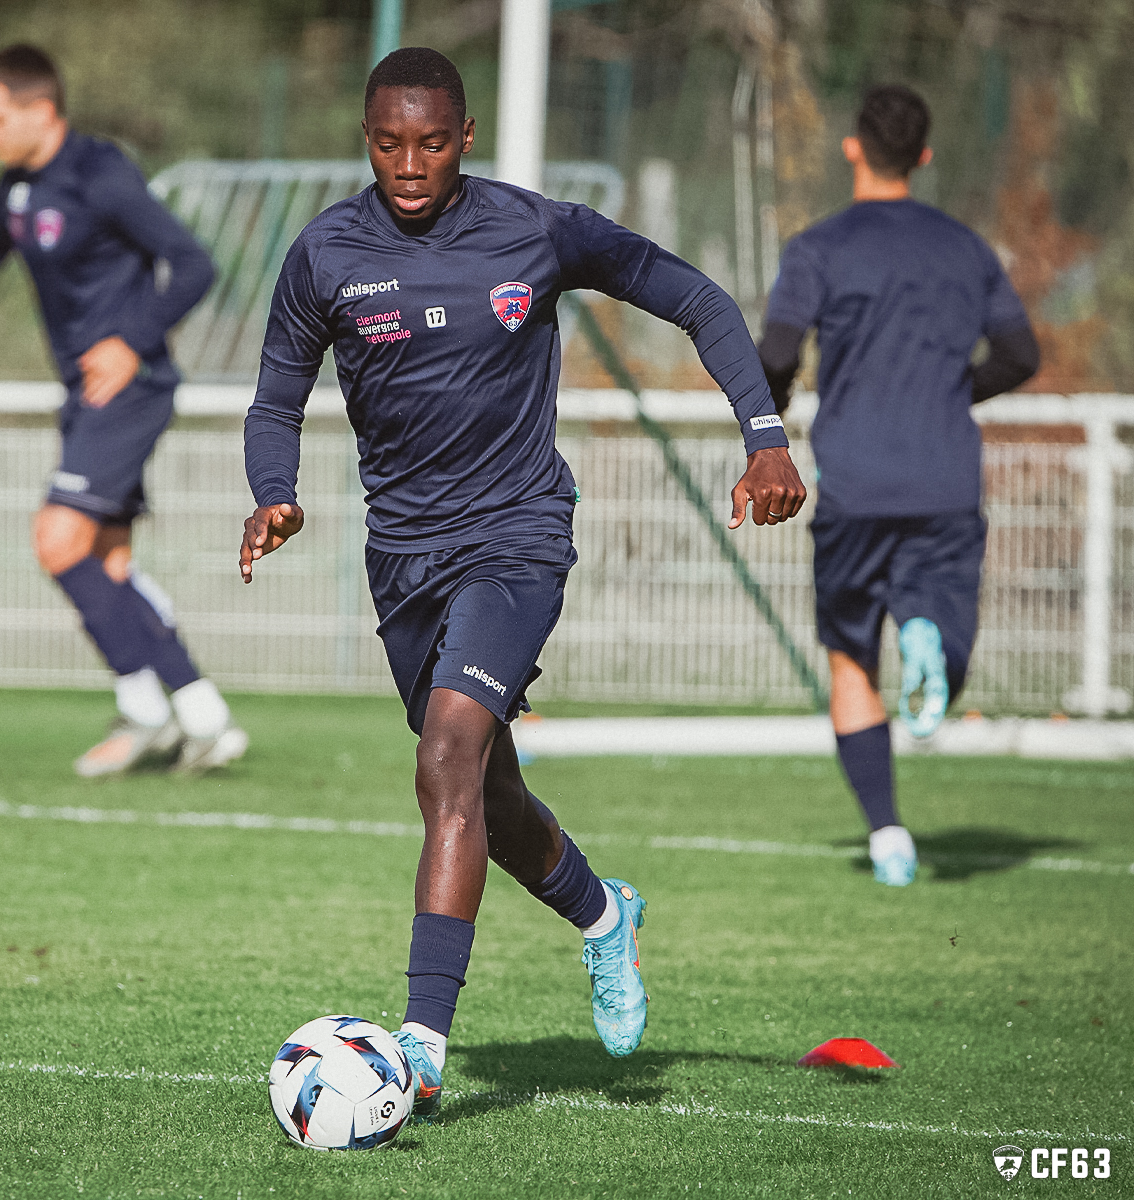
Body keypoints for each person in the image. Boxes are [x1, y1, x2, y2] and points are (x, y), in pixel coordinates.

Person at [240, 47, 806, 1115]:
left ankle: (417, 1052)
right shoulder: (324, 254)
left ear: (465, 137)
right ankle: (604, 916)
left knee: (447, 756)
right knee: (485, 797)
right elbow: (275, 399)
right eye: (387, 143)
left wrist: (765, 437)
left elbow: (697, 299)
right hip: (402, 557)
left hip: (517, 535)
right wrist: (274, 491)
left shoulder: (536, 229)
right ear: (365, 139)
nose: (409, 163)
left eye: (432, 141)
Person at [0, 44, 246, 776]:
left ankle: (148, 710)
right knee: (107, 566)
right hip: (84, 393)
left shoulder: (102, 175)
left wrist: (130, 341)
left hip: (130, 386)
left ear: (39, 110)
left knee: (57, 541)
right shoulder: (18, 186)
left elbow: (193, 264)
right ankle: (202, 718)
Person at [758, 84, 1039, 886]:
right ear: (923, 155)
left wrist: (767, 415)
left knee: (851, 658)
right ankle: (929, 642)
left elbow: (776, 353)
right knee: (944, 648)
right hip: (947, 479)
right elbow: (1022, 355)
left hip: (855, 481)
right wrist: (954, 393)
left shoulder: (819, 248)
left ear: (854, 148)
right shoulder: (966, 250)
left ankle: (887, 837)